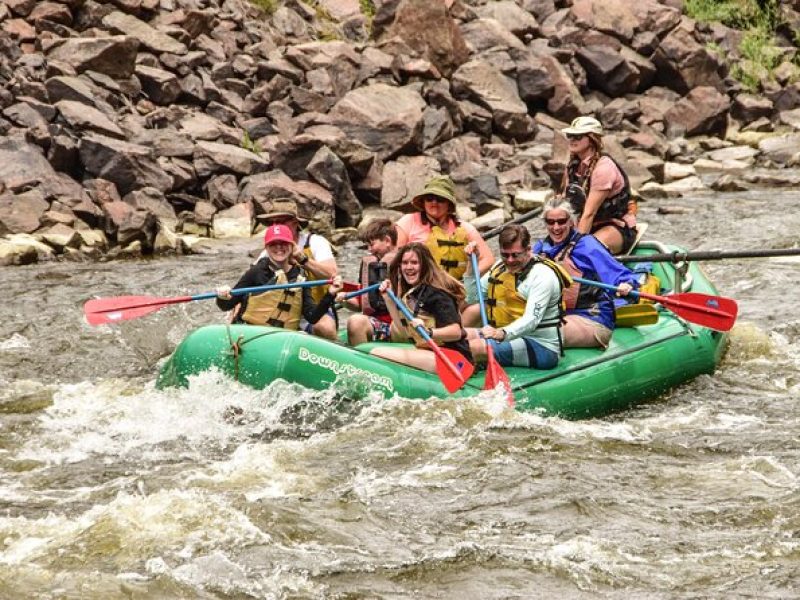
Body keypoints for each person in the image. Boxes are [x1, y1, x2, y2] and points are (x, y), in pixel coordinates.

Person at [533, 199, 638, 348]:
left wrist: (627, 284)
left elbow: (621, 275)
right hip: (557, 314)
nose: (556, 227)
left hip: (590, 315)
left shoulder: (587, 246)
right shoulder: (540, 249)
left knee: (542, 332)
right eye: (550, 222)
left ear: (572, 222)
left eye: (561, 221)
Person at [463, 224, 570, 369]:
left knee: (472, 347)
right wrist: (471, 262)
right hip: (507, 335)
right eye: (505, 255)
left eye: (515, 255)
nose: (510, 260)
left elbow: (532, 320)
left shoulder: (542, 276)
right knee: (458, 336)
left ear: (528, 250)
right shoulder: (500, 267)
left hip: (541, 346)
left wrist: (501, 333)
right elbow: (473, 297)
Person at [369, 243, 474, 373]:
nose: (409, 267)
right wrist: (388, 300)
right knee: (370, 351)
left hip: (453, 359)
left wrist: (429, 332)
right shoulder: (413, 292)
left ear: (425, 265)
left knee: (377, 353)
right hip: (430, 351)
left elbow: (456, 332)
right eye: (405, 263)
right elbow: (403, 333)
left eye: (414, 263)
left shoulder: (437, 294)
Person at [216, 224, 343, 330]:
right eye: (273, 244)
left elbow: (312, 316)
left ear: (292, 246)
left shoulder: (301, 276)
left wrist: (330, 294)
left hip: (282, 337)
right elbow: (226, 305)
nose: (279, 248)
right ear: (266, 248)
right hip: (251, 333)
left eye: (283, 243)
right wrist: (222, 296)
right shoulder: (256, 272)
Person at [256, 199, 339, 340]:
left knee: (324, 327)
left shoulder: (315, 242)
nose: (276, 226)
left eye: (281, 221)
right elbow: (249, 283)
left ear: (295, 223)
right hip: (279, 313)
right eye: (272, 223)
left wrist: (303, 259)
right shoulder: (267, 254)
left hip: (315, 310)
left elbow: (333, 275)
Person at [558, 116, 638, 254]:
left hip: (616, 226)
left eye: (578, 136)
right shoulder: (572, 166)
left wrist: (572, 247)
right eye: (570, 135)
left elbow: (589, 213)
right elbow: (565, 204)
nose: (572, 139)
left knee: (582, 252)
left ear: (592, 139)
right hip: (585, 224)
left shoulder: (603, 168)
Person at [395, 175, 494, 279]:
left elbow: (488, 259)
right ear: (423, 202)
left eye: (440, 199)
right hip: (417, 287)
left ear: (449, 203)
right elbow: (395, 257)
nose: (434, 202)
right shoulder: (408, 222)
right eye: (429, 198)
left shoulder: (464, 228)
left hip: (455, 289)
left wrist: (467, 279)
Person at [336, 218, 398, 346]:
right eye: (367, 246)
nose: (370, 249)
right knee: (355, 321)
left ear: (387, 240)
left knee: (356, 322)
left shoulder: (405, 264)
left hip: (398, 327)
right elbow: (361, 303)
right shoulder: (369, 265)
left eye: (372, 244)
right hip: (376, 323)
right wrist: (344, 299)